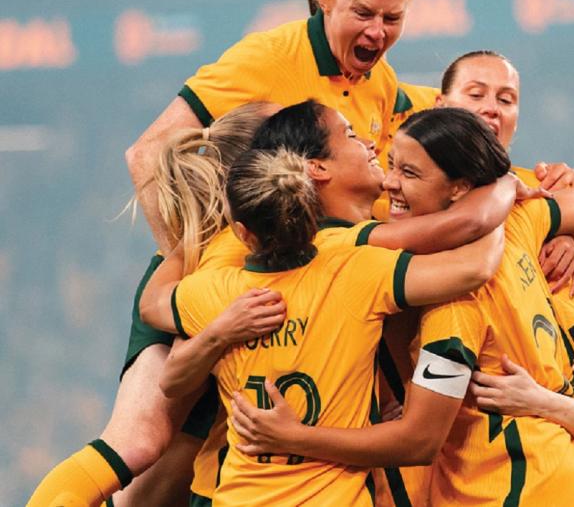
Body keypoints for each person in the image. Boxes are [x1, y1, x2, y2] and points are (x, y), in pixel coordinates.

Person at [229, 107, 574, 506]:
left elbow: (419, 438)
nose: (390, 181)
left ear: (459, 187)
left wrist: (293, 437)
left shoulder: (449, 301)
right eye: (390, 165)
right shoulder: (519, 222)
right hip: (556, 478)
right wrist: (506, 190)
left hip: (505, 488)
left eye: (409, 173)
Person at [137, 120, 509, 504]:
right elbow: (474, 264)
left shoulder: (216, 290)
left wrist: (197, 242)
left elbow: (156, 324)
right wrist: (500, 186)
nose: (374, 152)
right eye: (350, 134)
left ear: (242, 231)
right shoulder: (358, 269)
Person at [388, 50, 574, 507]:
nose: (492, 107)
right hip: (469, 474)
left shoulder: (540, 212)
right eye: (476, 94)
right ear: (439, 105)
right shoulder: (398, 209)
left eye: (507, 98)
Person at [27, 103, 285, 507]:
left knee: (177, 450)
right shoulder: (227, 253)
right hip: (186, 293)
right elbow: (162, 323)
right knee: (139, 442)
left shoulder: (244, 243)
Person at [127, 0, 419, 254]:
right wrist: (182, 265)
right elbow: (146, 154)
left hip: (318, 277)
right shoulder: (266, 58)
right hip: (243, 282)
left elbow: (374, 193)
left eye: (392, 18)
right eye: (363, 13)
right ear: (324, 0)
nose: (377, 32)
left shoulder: (382, 79)